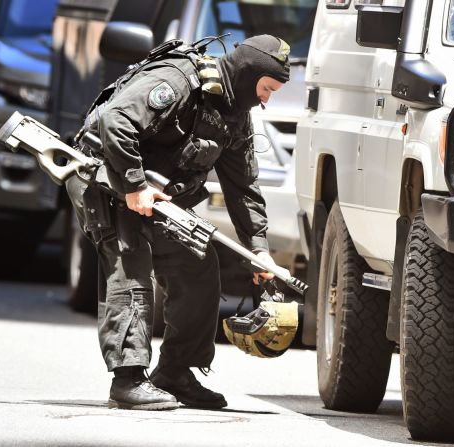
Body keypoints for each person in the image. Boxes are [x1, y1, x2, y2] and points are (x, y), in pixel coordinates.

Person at [65, 34, 291, 411]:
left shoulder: (233, 114)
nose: (267, 98)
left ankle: (176, 372)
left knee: (197, 265)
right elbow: (116, 120)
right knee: (130, 261)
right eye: (267, 87)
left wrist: (259, 251)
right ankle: (129, 379)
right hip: (107, 178)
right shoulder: (178, 80)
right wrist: (134, 184)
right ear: (250, 73)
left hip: (159, 196)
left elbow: (243, 188)